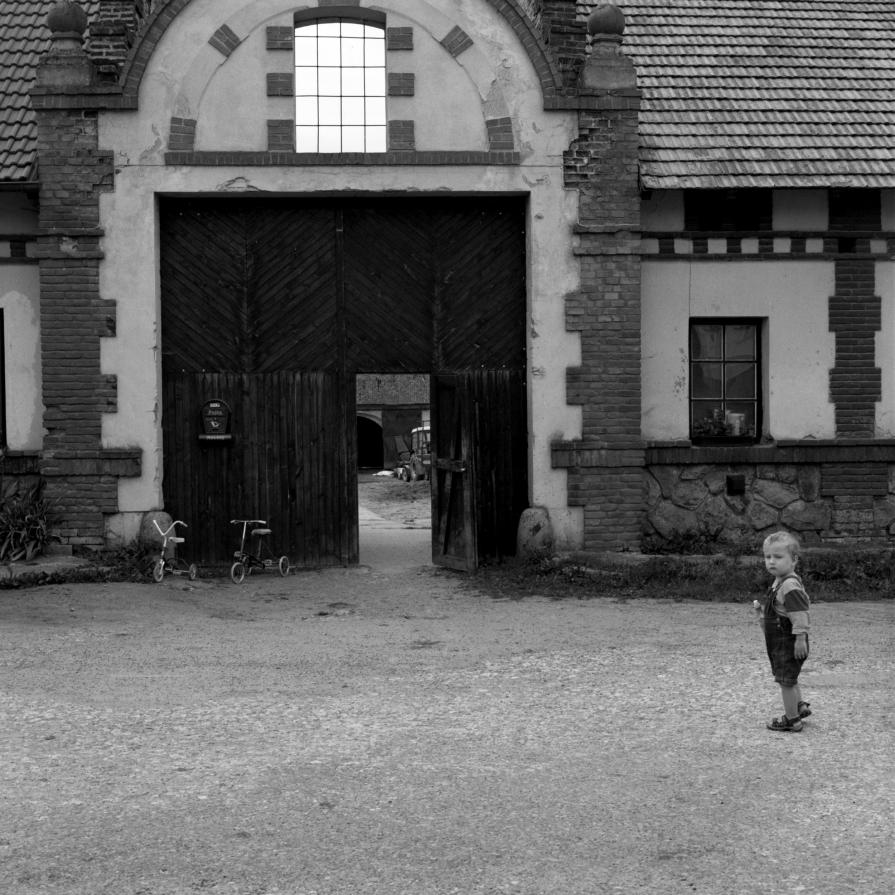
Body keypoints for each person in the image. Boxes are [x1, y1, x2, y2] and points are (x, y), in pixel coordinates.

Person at [755, 530, 812, 732]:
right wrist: (763, 618)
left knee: (785, 681)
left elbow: (800, 614)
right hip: (781, 640)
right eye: (768, 557)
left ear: (794, 560)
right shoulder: (779, 581)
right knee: (790, 676)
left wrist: (800, 639)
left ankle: (792, 720)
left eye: (778, 557)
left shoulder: (789, 585)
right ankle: (799, 706)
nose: (771, 561)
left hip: (788, 642)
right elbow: (780, 612)